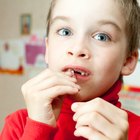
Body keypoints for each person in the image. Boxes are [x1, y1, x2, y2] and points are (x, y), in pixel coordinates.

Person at [1, 0, 140, 139]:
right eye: (65, 32)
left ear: (128, 61)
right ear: (47, 49)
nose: (77, 49)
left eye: (101, 37)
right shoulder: (18, 126)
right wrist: (37, 131)